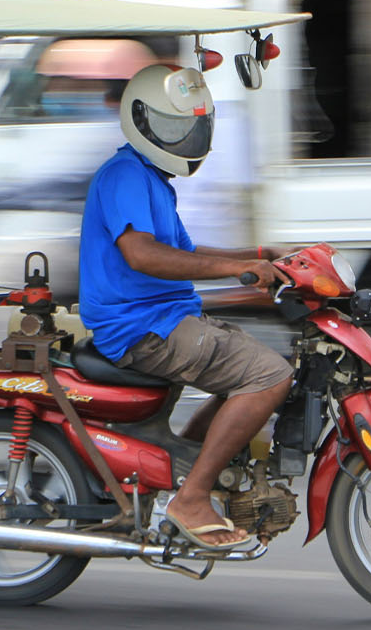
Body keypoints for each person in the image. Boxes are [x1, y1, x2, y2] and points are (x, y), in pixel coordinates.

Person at [79, 64, 295, 551]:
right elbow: (143, 254)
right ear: (140, 120)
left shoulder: (150, 179)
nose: (184, 137)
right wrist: (234, 271)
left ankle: (195, 471)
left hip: (164, 318)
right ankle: (193, 497)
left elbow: (187, 255)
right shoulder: (125, 176)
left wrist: (263, 257)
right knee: (270, 376)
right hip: (143, 327)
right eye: (173, 126)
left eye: (191, 127)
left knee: (248, 371)